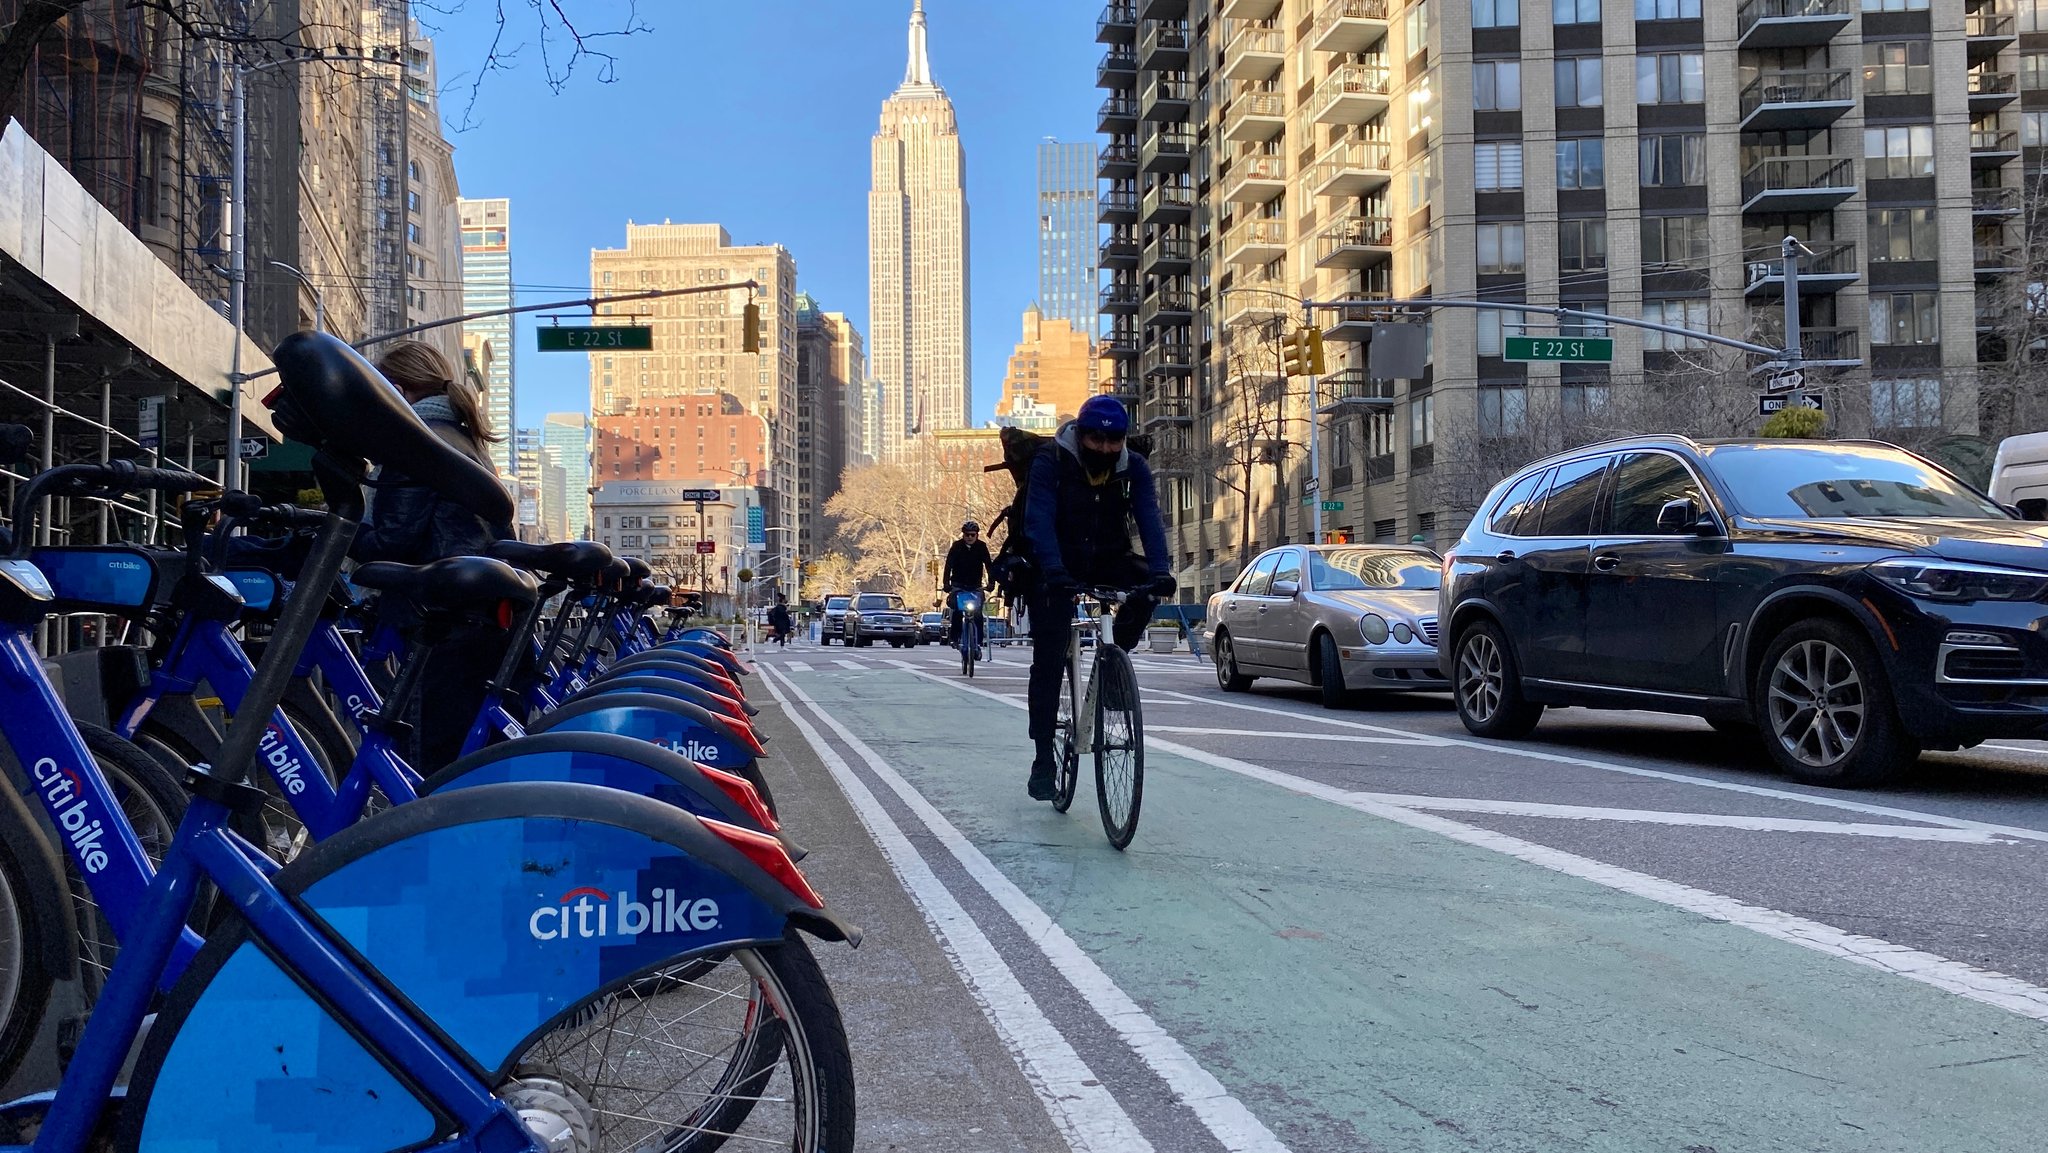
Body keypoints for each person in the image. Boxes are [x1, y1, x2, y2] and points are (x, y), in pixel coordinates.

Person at [351, 340, 513, 773]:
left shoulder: (418, 444)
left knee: (431, 760)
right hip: (480, 612)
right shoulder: (467, 442)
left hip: (436, 613)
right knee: (471, 755)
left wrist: (344, 534)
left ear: (398, 390)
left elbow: (393, 540)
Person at [1018, 394, 1176, 801]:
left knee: (1148, 589)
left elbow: (1149, 518)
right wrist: (1052, 570)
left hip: (1109, 558)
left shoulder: (1133, 467)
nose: (1105, 449)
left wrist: (1160, 570)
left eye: (1114, 441)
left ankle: (1112, 665)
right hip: (1055, 563)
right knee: (1049, 658)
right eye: (1096, 440)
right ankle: (1042, 759)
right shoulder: (1050, 461)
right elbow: (1037, 519)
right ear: (1082, 435)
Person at [942, 520, 993, 648]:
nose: (970, 537)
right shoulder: (956, 546)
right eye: (967, 535)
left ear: (977, 535)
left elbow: (989, 566)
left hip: (975, 585)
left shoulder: (981, 547)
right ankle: (955, 638)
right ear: (963, 535)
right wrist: (946, 584)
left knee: (977, 614)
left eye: (972, 535)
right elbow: (948, 566)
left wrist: (991, 583)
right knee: (957, 612)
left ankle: (979, 642)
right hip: (959, 584)